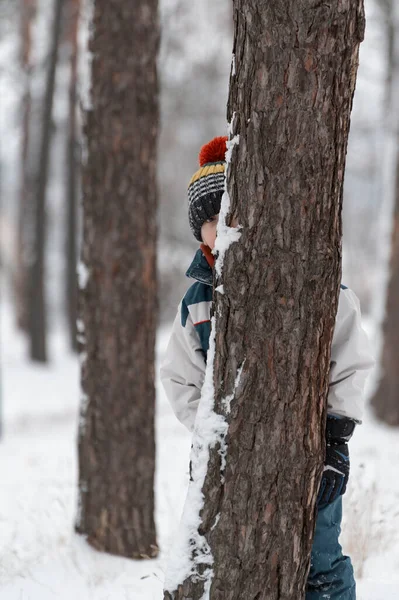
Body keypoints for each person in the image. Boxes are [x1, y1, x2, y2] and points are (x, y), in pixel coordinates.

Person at [160, 136, 375, 599]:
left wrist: (336, 436)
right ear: (199, 232)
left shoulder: (305, 276)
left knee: (319, 556)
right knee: (232, 554)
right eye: (210, 221)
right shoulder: (197, 300)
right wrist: (207, 427)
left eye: (227, 218)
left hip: (315, 448)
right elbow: (179, 376)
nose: (220, 230)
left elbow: (350, 356)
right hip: (229, 455)